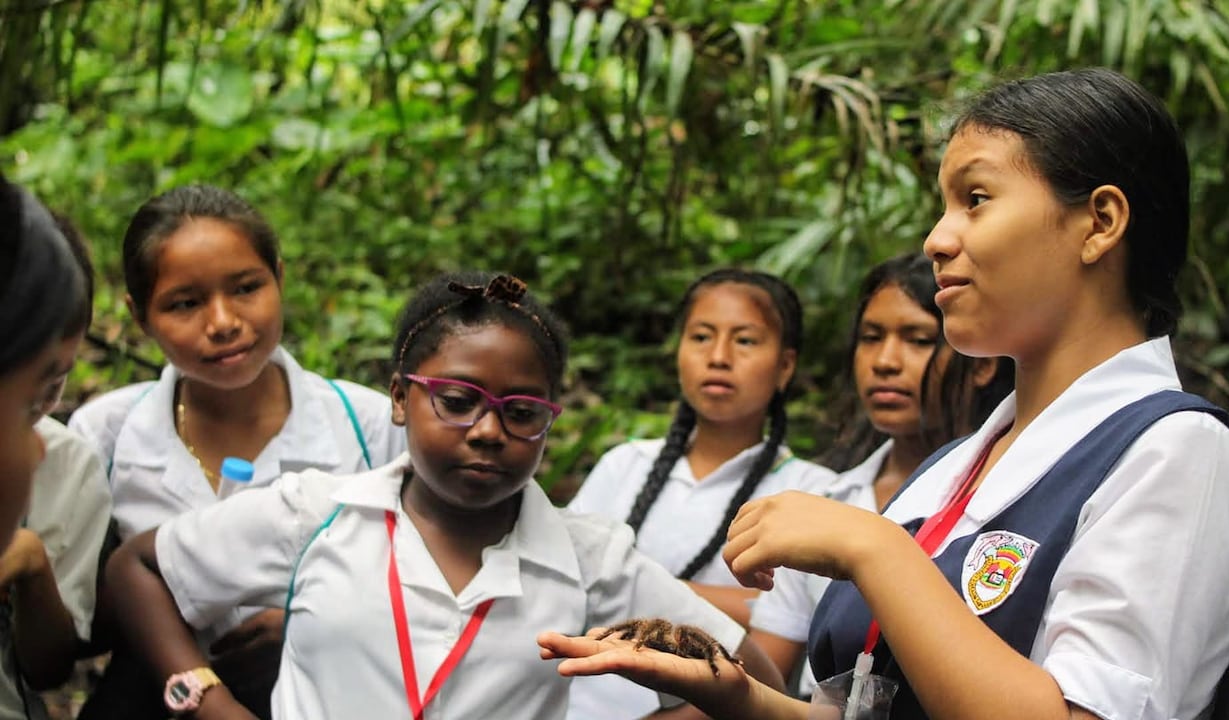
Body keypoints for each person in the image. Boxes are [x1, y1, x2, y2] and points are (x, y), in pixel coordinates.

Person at [539, 67, 1229, 720]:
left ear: (1100, 222)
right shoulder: (959, 465)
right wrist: (740, 699)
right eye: (945, 204)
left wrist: (875, 548)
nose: (937, 237)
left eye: (976, 198)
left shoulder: (1177, 452)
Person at [102, 271, 782, 720]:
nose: (488, 431)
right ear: (400, 398)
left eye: (521, 412)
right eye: (457, 401)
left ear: (549, 423)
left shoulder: (589, 557)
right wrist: (207, 699)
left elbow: (750, 677)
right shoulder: (317, 512)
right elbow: (138, 567)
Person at [69, 184, 405, 718]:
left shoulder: (369, 427)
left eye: (246, 288)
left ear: (279, 275)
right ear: (139, 316)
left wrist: (315, 621)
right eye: (185, 303)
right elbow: (79, 623)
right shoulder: (106, 435)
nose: (223, 321)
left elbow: (441, 578)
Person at [566, 269, 835, 719]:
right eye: (701, 337)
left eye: (745, 340)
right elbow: (563, 589)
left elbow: (771, 652)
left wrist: (641, 586)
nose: (719, 357)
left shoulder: (812, 492)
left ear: (785, 366)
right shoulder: (624, 466)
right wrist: (730, 604)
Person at [748, 252, 1013, 699]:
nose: (885, 361)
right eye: (871, 337)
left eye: (918, 339)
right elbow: (765, 674)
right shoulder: (821, 503)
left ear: (982, 361)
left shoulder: (1014, 498)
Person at [0, 211, 112, 720]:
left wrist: (31, 563)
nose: (34, 445)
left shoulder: (67, 463)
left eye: (53, 385)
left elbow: (47, 669)